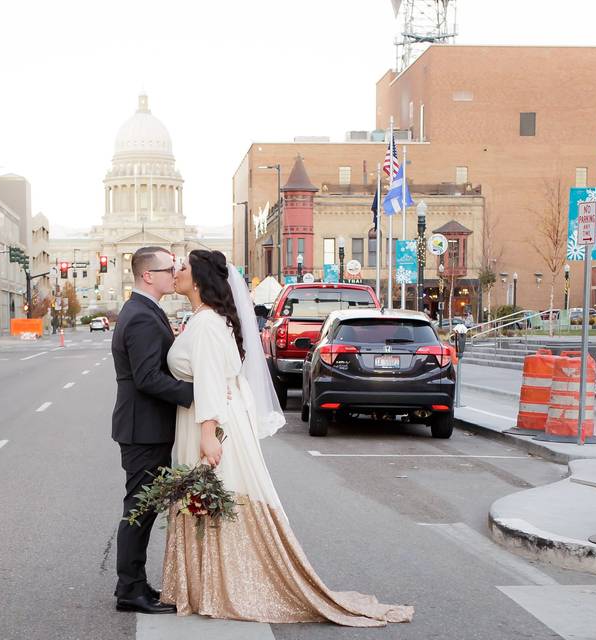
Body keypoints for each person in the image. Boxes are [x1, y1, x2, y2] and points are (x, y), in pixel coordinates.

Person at [161, 249, 414, 627]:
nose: (175, 271)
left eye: (181, 267)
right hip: (206, 418)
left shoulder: (209, 324)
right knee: (208, 498)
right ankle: (204, 585)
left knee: (214, 495)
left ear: (198, 280)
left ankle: (217, 586)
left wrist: (208, 435)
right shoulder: (204, 320)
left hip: (210, 423)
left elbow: (212, 381)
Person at [110, 246, 193, 615]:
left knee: (143, 507)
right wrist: (196, 394)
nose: (173, 273)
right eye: (168, 268)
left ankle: (134, 584)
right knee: (139, 509)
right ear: (148, 275)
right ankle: (130, 589)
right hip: (143, 427)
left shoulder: (144, 310)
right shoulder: (142, 316)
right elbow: (147, 378)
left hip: (146, 425)